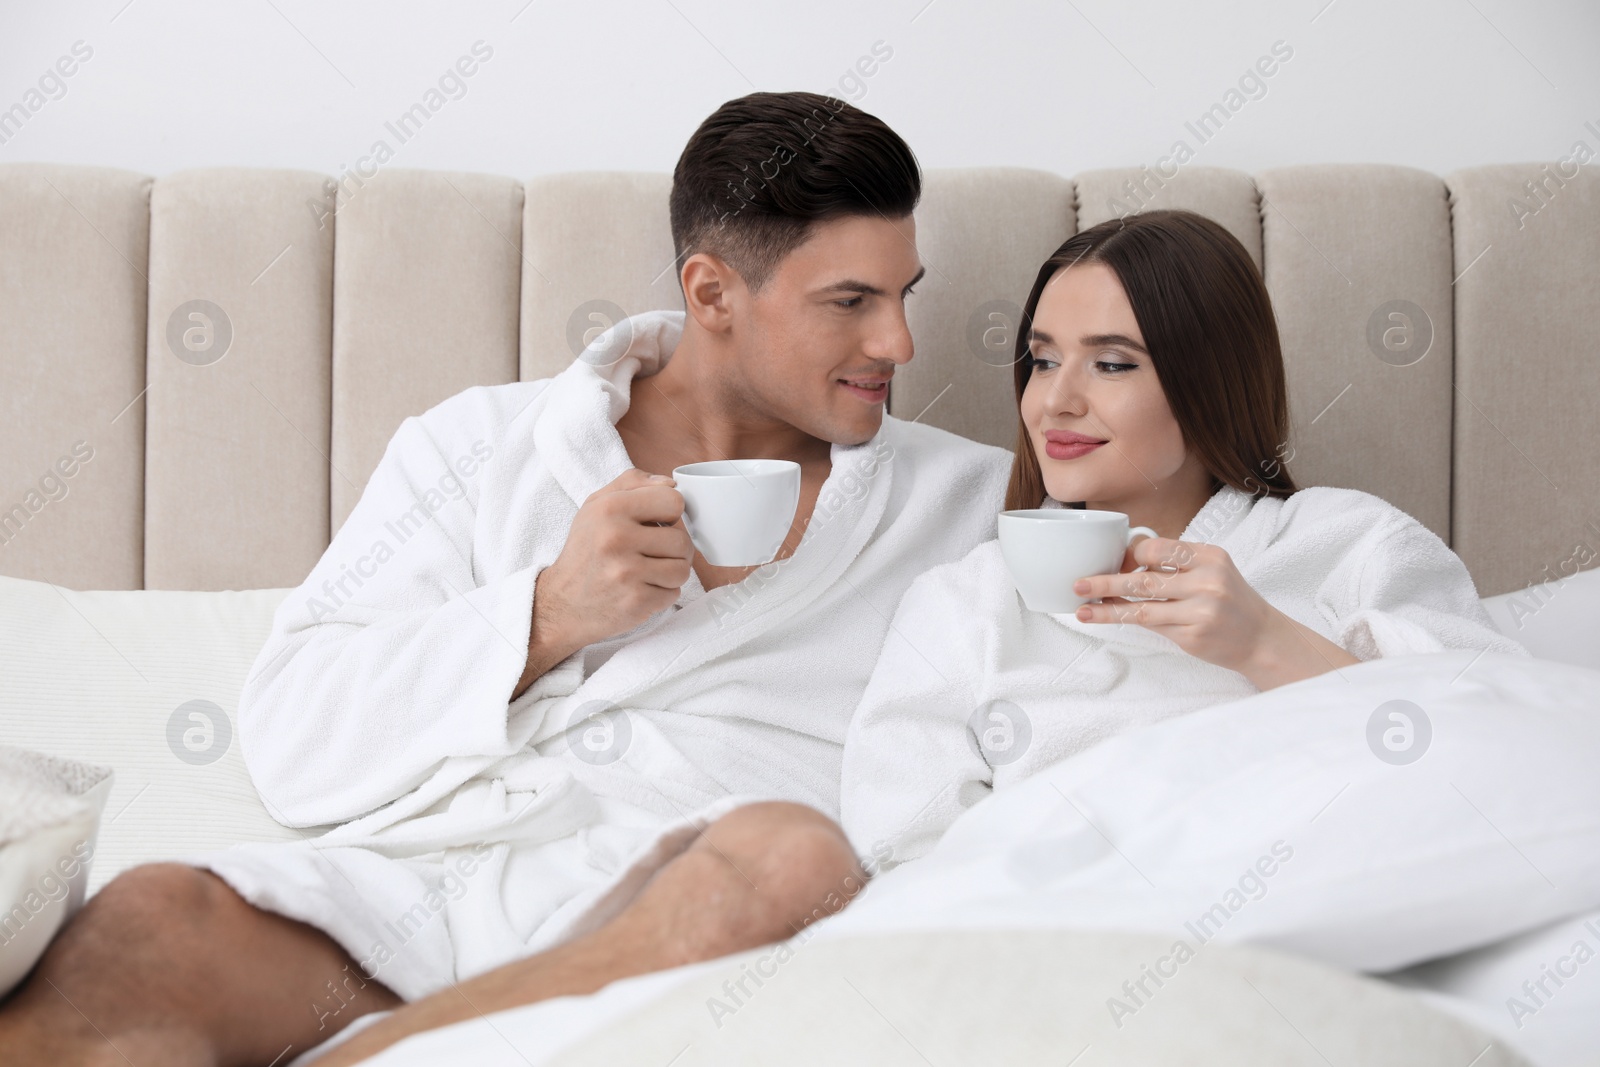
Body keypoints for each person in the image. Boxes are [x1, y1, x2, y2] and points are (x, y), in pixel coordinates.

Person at [0, 91, 1012, 1066]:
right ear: (710, 293)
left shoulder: (970, 502)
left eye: (903, 294)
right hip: (416, 900)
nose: (899, 344)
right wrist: (545, 613)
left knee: (791, 857)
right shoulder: (479, 445)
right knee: (150, 919)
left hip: (691, 908)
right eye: (852, 302)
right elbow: (292, 739)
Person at [841, 210, 1528, 870]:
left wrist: (1264, 641)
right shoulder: (966, 603)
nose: (1055, 401)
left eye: (1111, 364)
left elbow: (1509, 758)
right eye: (1044, 361)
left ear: (1211, 382)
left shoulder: (1353, 544)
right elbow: (903, 856)